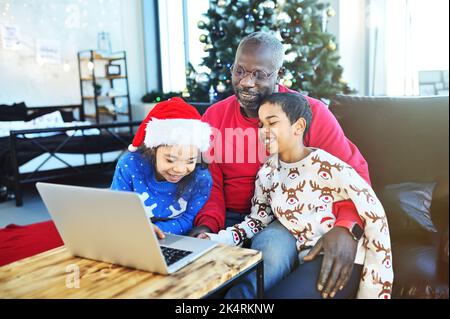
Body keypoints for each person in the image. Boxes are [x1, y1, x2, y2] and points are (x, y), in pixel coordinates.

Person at [188, 31, 371, 299]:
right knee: (194, 269)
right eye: (239, 71)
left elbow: (353, 175)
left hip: (283, 219)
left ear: (278, 73)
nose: (246, 82)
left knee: (268, 257)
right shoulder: (215, 116)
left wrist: (346, 226)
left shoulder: (310, 113)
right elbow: (210, 185)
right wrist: (206, 227)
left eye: (259, 74)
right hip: (229, 216)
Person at [201, 92, 394, 298]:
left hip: (340, 257)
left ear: (299, 127)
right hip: (306, 254)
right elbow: (257, 221)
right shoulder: (267, 173)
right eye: (260, 125)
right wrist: (218, 238)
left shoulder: (327, 164)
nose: (264, 132)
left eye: (272, 123)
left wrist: (349, 231)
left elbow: (369, 205)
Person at [111, 97, 213, 239]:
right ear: (153, 150)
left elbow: (187, 220)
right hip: (129, 234)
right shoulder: (130, 165)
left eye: (190, 160)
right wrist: (137, 228)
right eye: (170, 159)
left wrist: (154, 230)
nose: (180, 169)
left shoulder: (201, 178)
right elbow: (116, 208)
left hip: (172, 239)